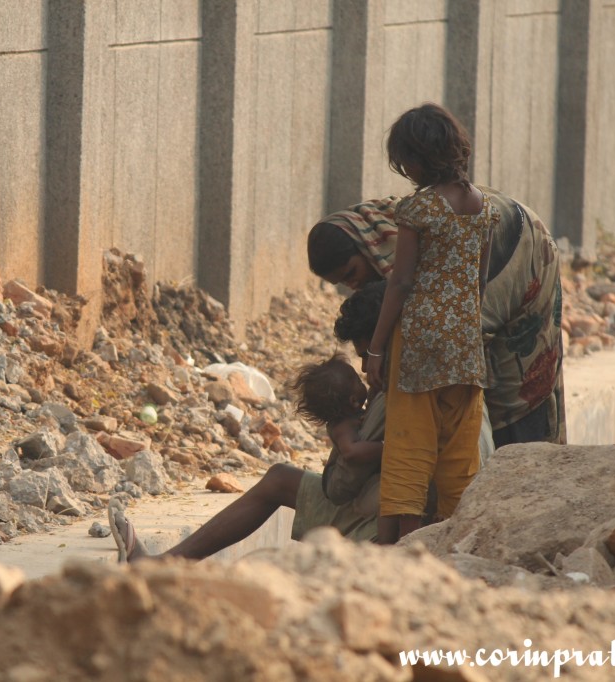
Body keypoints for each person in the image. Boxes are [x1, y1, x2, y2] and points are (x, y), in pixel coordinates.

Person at [110, 283, 393, 562]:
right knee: (278, 477)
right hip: (357, 496)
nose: (367, 369)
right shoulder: (382, 385)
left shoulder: (407, 384)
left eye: (369, 355)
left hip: (379, 512)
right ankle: (167, 562)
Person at [308, 168, 565, 450]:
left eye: (351, 273)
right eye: (343, 282)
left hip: (519, 267)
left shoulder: (421, 241)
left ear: (368, 244)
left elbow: (443, 345)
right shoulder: (403, 231)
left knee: (507, 400)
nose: (353, 284)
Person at [365, 103, 496, 543]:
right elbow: (478, 280)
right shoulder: (483, 206)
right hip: (465, 348)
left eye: (405, 162)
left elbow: (400, 282)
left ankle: (405, 547)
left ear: (418, 157)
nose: (405, 170)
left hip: (419, 346)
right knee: (459, 452)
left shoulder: (418, 209)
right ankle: (454, 547)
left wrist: (376, 348)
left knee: (410, 446)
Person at [289, 354, 383, 505]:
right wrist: (386, 449)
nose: (363, 381)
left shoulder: (350, 414)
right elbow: (350, 451)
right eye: (359, 381)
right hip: (336, 485)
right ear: (353, 400)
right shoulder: (342, 426)